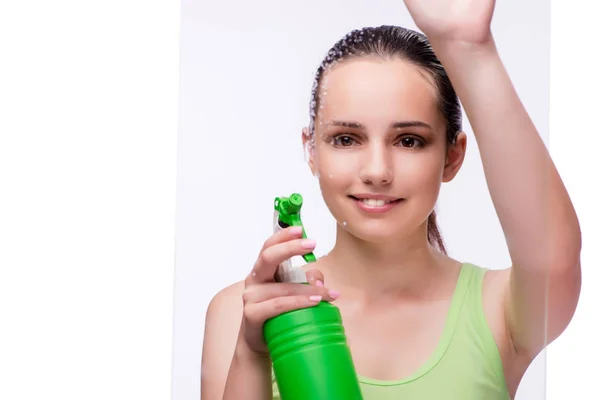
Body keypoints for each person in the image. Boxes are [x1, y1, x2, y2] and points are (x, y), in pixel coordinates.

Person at [201, 1, 582, 399]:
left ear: (452, 156)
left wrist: (472, 50)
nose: (377, 170)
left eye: (409, 140)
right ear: (311, 150)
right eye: (346, 139)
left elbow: (554, 256)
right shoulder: (241, 314)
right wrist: (250, 350)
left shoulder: (498, 311)